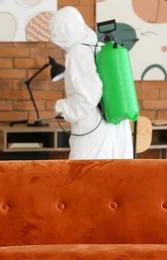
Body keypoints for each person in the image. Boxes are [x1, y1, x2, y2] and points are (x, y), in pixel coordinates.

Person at [50, 6, 133, 160]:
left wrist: (62, 107)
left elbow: (89, 96)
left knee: (84, 180)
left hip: (94, 133)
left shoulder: (78, 51)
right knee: (115, 180)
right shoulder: (99, 47)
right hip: (117, 129)